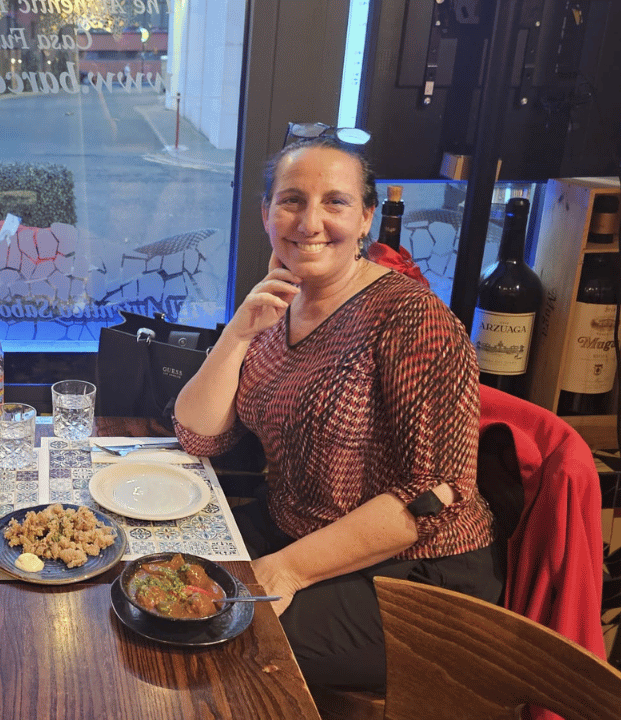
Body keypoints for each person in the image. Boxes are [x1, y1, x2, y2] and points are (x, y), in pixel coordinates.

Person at [173, 135, 502, 692]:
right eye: (292, 200)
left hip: (412, 572)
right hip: (297, 532)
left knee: (220, 642)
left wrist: (287, 570)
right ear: (266, 213)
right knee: (159, 578)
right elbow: (198, 435)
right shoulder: (280, 304)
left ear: (366, 217)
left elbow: (434, 494)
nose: (310, 223)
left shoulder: (411, 319)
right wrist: (238, 333)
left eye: (336, 202)